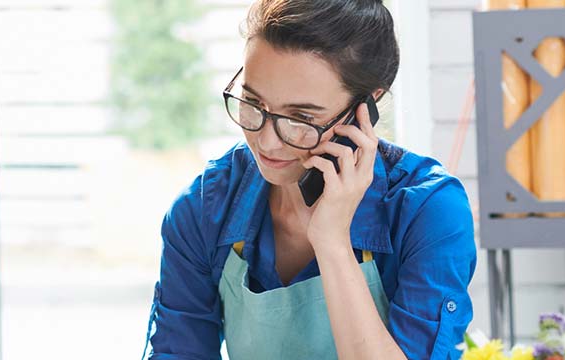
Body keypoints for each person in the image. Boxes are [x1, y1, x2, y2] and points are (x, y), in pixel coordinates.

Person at [144, 0, 477, 359]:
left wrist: (331, 241)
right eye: (252, 103)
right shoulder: (204, 209)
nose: (267, 142)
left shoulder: (429, 212)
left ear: (367, 107)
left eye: (301, 118)